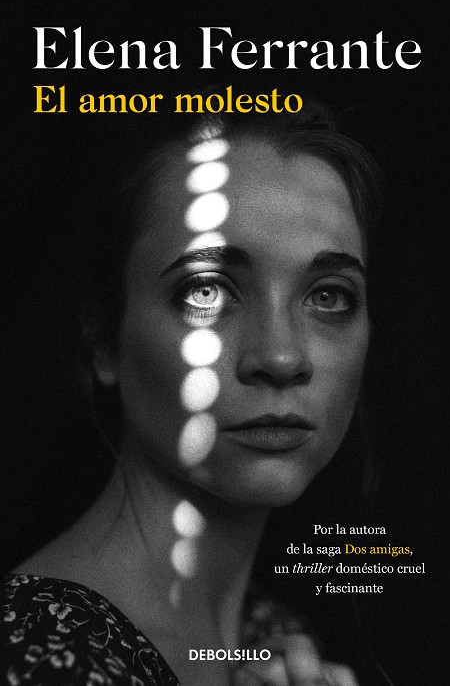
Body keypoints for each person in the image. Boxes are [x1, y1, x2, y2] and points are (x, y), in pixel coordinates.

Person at [1, 101, 382, 685]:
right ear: (104, 342)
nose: (281, 358)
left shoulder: (270, 641)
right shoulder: (34, 657)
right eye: (207, 292)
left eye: (328, 296)